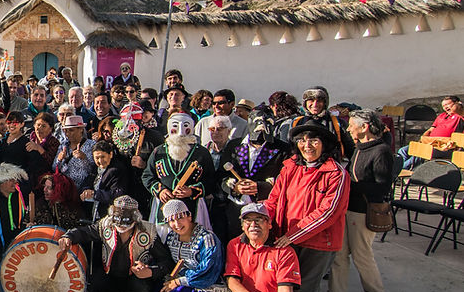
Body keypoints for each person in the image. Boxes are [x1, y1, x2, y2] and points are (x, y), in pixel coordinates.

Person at [263, 122, 349, 292]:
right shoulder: (290, 167)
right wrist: (262, 220)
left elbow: (328, 212)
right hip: (286, 237)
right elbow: (274, 198)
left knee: (306, 289)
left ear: (324, 144)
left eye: (313, 141)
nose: (307, 145)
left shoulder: (335, 173)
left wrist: (294, 235)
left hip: (318, 242)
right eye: (302, 140)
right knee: (285, 286)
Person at [322, 110, 391, 292]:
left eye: (352, 125)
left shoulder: (381, 151)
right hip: (347, 209)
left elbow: (382, 187)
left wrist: (346, 186)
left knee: (362, 255)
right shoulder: (360, 148)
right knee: (339, 254)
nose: (349, 129)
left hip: (362, 211)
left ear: (365, 127)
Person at [61, 195, 170, 292]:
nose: (122, 227)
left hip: (135, 279)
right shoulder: (106, 225)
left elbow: (166, 261)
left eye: (126, 222)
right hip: (111, 275)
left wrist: (150, 271)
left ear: (136, 219)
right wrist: (68, 236)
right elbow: (86, 232)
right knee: (93, 283)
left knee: (144, 289)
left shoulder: (148, 232)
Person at [140, 200, 232, 292]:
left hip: (206, 283)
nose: (177, 224)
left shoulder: (207, 238)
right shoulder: (171, 237)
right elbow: (166, 259)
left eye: (180, 218)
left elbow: (209, 270)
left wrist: (178, 281)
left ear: (189, 216)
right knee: (159, 287)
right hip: (180, 278)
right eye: (172, 220)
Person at [217, 106, 290, 237]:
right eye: (257, 122)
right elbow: (221, 175)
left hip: (265, 211)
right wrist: (234, 187)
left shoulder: (283, 149)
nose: (261, 126)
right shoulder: (234, 146)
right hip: (236, 209)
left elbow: (286, 180)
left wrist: (260, 187)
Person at [143, 113, 215, 235]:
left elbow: (212, 180)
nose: (180, 131)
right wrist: (160, 191)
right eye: (175, 126)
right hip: (163, 206)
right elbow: (147, 176)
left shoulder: (202, 153)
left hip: (192, 205)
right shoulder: (159, 151)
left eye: (185, 126)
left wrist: (192, 191)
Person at [288, 86, 354, 159]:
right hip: (303, 166)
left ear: (325, 103)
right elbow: (290, 148)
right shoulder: (296, 122)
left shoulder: (337, 123)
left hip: (330, 166)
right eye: (311, 100)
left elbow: (350, 149)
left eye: (319, 101)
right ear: (305, 103)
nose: (315, 104)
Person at [82, 140, 130, 221]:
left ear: (110, 154)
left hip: (110, 215)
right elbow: (87, 182)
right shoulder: (95, 168)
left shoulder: (117, 170)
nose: (100, 161)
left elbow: (117, 194)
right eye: (97, 158)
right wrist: (85, 191)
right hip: (94, 214)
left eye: (103, 157)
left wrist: (95, 194)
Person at [53, 115, 97, 191]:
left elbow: (95, 169)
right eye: (66, 131)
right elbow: (54, 168)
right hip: (65, 189)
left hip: (83, 189)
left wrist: (84, 159)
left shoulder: (91, 145)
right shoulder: (63, 146)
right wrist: (59, 160)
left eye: (71, 130)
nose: (68, 133)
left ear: (81, 130)